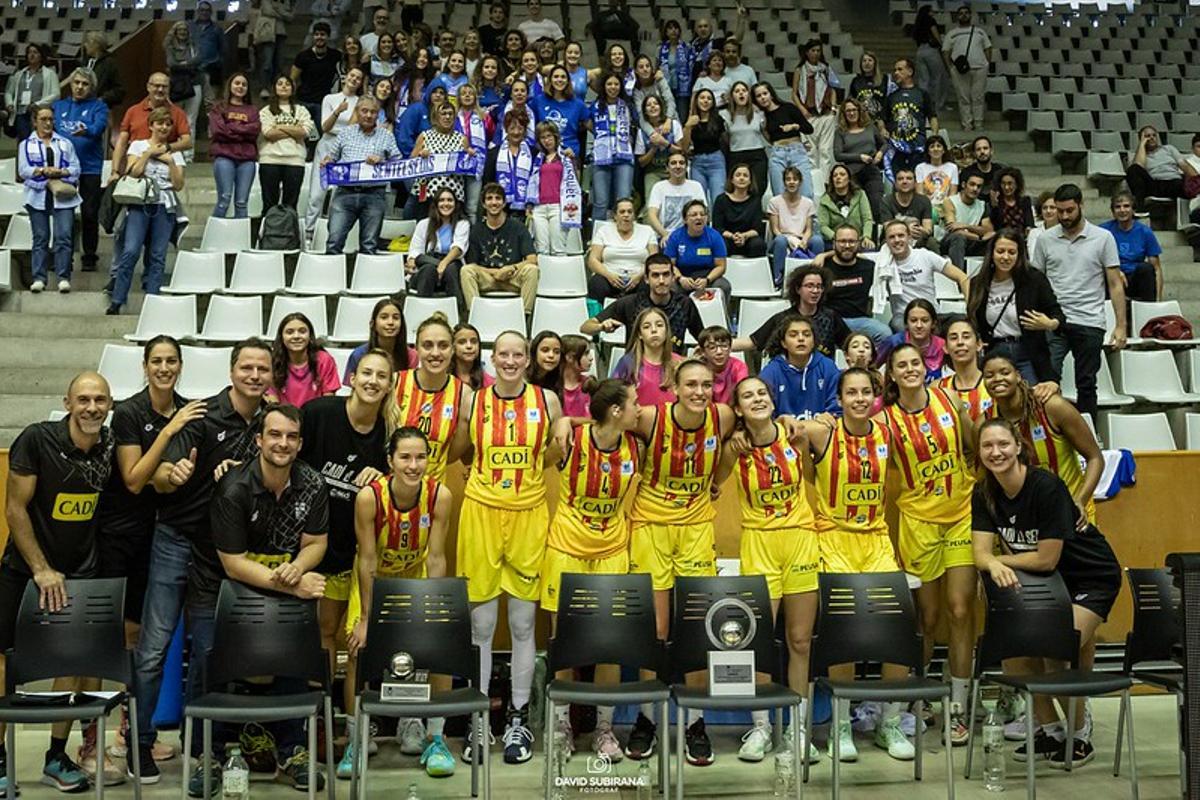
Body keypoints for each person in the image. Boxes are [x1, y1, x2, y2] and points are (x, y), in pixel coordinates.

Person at [143, 339, 271, 793]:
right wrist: (172, 475)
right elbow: (158, 475)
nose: (254, 375)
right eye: (247, 367)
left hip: (228, 554)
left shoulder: (269, 422)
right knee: (162, 648)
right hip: (179, 540)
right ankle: (157, 745)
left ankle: (215, 748)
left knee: (216, 652)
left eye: (262, 369)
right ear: (232, 370)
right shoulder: (201, 416)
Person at [972, 417, 1121, 767]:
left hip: (1089, 578)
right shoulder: (983, 493)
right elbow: (979, 553)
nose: (996, 452)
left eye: (1003, 444)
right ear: (979, 453)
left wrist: (999, 559)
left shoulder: (1046, 487)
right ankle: (1051, 730)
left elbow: (1047, 557)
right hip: (1045, 583)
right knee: (1016, 651)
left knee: (1056, 648)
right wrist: (992, 564)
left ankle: (1079, 732)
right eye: (988, 446)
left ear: (1019, 446)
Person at [0, 372, 113, 793]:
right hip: (24, 572)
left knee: (72, 665)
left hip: (79, 576)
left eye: (100, 400)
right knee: (3, 662)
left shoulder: (109, 446)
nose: (91, 407)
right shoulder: (36, 439)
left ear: (110, 405)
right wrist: (41, 568)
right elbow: (15, 509)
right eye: (83, 399)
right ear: (67, 402)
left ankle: (55, 756)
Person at [621, 359, 735, 765]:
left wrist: (715, 484)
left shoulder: (722, 416)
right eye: (691, 384)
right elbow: (604, 417)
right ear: (675, 386)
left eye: (706, 384)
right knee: (656, 629)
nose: (700, 392)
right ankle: (647, 718)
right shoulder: (651, 418)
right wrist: (567, 424)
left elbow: (735, 449)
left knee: (695, 628)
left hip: (696, 528)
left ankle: (695, 723)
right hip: (651, 526)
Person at [209, 405, 328, 792]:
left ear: (300, 443)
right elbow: (233, 564)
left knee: (293, 652)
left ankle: (291, 751)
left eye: (291, 437)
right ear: (259, 440)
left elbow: (316, 543)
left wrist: (299, 566)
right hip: (231, 587)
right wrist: (293, 584)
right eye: (275, 435)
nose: (283, 443)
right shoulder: (234, 488)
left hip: (282, 583)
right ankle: (206, 755)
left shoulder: (311, 482)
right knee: (213, 659)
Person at [458, 331, 562, 765]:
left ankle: (518, 717)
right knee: (481, 625)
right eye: (503, 354)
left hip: (528, 516)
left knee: (522, 624)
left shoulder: (548, 402)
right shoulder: (472, 400)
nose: (511, 360)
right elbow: (463, 452)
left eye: (519, 354)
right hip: (481, 513)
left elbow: (554, 454)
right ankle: (478, 719)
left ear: (528, 360)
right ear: (492, 359)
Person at [800, 368, 912, 761]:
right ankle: (842, 726)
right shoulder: (822, 432)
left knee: (897, 627)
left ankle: (890, 723)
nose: (860, 399)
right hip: (834, 538)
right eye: (852, 393)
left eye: (867, 392)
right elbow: (782, 429)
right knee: (843, 632)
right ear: (840, 398)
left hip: (877, 538)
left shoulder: (887, 431)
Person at [714, 377, 819, 761]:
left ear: (772, 401)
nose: (757, 399)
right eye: (747, 396)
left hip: (800, 541)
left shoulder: (795, 434)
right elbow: (711, 484)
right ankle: (760, 728)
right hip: (758, 543)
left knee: (800, 641)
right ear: (738, 409)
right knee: (755, 641)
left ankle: (799, 730)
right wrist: (728, 448)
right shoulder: (735, 449)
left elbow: (813, 477)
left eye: (762, 393)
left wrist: (802, 438)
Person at [297, 350, 390, 777]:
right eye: (365, 373)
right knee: (323, 635)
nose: (372, 381)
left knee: (356, 642)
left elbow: (399, 483)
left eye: (381, 376)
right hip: (314, 545)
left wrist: (381, 479)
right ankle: (321, 721)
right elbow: (287, 458)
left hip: (359, 552)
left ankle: (358, 730)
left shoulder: (387, 432)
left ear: (390, 384)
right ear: (351, 376)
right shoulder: (318, 413)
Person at [345, 426, 456, 776]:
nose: (413, 465)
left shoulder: (440, 495)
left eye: (420, 457)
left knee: (435, 650)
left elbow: (436, 557)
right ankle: (357, 738)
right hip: (374, 581)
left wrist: (435, 610)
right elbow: (367, 560)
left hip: (414, 579)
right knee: (357, 651)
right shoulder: (369, 497)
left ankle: (431, 736)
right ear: (390, 460)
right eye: (405, 457)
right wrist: (366, 618)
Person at [882, 343, 977, 748]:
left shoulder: (948, 397)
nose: (909, 369)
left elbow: (973, 442)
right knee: (926, 619)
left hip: (961, 514)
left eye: (915, 363)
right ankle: (917, 697)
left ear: (926, 366)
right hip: (917, 523)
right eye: (901, 365)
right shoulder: (886, 421)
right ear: (891, 375)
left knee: (960, 610)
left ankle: (957, 707)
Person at [542, 379, 641, 759]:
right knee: (563, 642)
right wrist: (563, 421)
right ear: (616, 411)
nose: (639, 409)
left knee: (609, 646)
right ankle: (562, 727)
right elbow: (540, 465)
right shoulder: (571, 444)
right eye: (633, 403)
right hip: (566, 549)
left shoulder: (636, 445)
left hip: (612, 550)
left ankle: (604, 730)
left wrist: (569, 417)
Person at [1030, 183, 1126, 419]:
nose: (1064, 216)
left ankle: (1088, 438)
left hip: (1090, 320)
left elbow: (1115, 283)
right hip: (1053, 320)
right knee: (1046, 381)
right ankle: (1052, 436)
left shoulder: (1103, 238)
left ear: (1081, 205)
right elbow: (1036, 282)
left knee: (1086, 384)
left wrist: (1121, 325)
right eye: (1060, 211)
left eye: (1069, 210)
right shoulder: (1045, 239)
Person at [107, 107, 186, 316]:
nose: (164, 127)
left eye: (168, 124)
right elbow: (133, 172)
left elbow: (178, 185)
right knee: (131, 251)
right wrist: (148, 154)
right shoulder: (138, 145)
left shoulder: (175, 153)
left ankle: (152, 301)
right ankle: (117, 299)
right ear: (151, 125)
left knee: (158, 255)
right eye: (160, 123)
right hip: (139, 204)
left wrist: (170, 163)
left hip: (164, 205)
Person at [967, 231, 1064, 384]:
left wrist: (1049, 324)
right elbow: (974, 320)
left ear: (1020, 255)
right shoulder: (977, 283)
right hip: (995, 353)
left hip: (1029, 352)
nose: (1005, 257)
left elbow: (1058, 314)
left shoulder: (1034, 279)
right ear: (991, 253)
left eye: (1012, 252)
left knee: (1031, 401)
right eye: (1000, 251)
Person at [387, 314, 473, 477]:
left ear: (453, 349)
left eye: (443, 346)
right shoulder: (396, 383)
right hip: (391, 488)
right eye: (427, 345)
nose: (435, 353)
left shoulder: (464, 395)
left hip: (434, 492)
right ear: (416, 349)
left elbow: (450, 455)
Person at [581, 253, 704, 353]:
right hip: (636, 370)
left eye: (666, 275)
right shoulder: (630, 303)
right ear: (646, 279)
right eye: (655, 275)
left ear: (673, 277)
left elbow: (702, 338)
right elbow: (585, 328)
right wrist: (601, 327)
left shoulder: (685, 304)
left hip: (672, 370)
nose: (661, 281)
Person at [322, 96, 398, 255]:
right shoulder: (345, 133)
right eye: (364, 111)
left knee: (369, 245)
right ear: (357, 112)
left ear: (378, 115)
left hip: (374, 194)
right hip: (344, 193)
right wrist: (327, 161)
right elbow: (332, 157)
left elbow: (398, 163)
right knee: (334, 242)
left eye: (373, 112)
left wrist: (382, 160)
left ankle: (365, 279)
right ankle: (331, 279)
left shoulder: (387, 136)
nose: (369, 115)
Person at [19, 103, 80, 295]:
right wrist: (42, 171)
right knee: (40, 238)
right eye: (43, 119)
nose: (47, 123)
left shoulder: (65, 143)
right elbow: (23, 171)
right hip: (37, 195)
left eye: (51, 119)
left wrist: (61, 172)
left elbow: (76, 169)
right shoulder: (26, 144)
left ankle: (63, 277)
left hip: (62, 196)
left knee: (63, 236)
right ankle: (39, 278)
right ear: (34, 122)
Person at [53, 69, 107, 274]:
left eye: (84, 83)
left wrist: (88, 130)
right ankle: (61, 256)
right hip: (63, 169)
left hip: (89, 168)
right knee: (62, 212)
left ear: (91, 87)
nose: (79, 87)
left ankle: (90, 256)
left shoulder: (98, 106)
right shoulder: (59, 106)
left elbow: (98, 127)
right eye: (76, 82)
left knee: (89, 213)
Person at [461, 183, 540, 314]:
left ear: (504, 203)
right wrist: (496, 273)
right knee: (466, 271)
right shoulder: (476, 230)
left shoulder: (518, 227)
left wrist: (510, 268)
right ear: (484, 204)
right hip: (488, 279)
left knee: (532, 270)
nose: (494, 202)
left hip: (512, 277)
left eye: (498, 198)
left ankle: (524, 318)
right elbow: (473, 264)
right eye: (489, 198)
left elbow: (532, 259)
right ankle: (475, 316)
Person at [304, 67, 362, 240]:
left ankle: (330, 235)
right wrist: (338, 111)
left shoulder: (360, 102)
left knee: (337, 194)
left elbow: (355, 129)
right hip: (327, 145)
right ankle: (309, 232)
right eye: (352, 75)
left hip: (347, 149)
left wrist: (342, 132)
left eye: (358, 78)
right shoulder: (330, 98)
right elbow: (325, 127)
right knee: (317, 193)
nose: (354, 79)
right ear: (345, 78)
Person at [879, 219, 969, 330]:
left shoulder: (925, 256)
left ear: (909, 237)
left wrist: (971, 308)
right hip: (904, 318)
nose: (897, 240)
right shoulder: (881, 262)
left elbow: (962, 277)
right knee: (897, 324)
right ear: (886, 242)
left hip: (932, 315)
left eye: (901, 235)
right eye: (891, 237)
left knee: (965, 322)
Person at [811, 225, 891, 344]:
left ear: (858, 243)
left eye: (852, 241)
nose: (847, 245)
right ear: (834, 243)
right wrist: (823, 255)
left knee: (885, 334)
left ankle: (872, 363)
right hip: (830, 320)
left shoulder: (869, 267)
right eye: (842, 241)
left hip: (861, 321)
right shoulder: (822, 267)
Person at [758, 313, 841, 418]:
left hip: (821, 430)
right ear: (783, 343)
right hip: (784, 432)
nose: (801, 339)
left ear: (814, 341)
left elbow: (837, 409)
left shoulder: (828, 367)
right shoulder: (771, 372)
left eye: (807, 334)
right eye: (793, 335)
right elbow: (764, 415)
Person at [111, 73, 192, 180]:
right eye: (156, 85)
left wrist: (166, 148)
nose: (160, 89)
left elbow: (187, 142)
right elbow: (122, 142)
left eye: (164, 86)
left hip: (163, 170)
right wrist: (114, 171)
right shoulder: (133, 111)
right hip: (136, 166)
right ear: (148, 87)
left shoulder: (178, 113)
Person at [258, 76, 317, 211]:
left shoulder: (301, 110)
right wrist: (294, 129)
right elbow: (268, 133)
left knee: (291, 205)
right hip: (270, 160)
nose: (284, 86)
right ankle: (268, 232)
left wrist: (278, 127)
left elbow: (305, 132)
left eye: (287, 84)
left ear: (293, 88)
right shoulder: (266, 111)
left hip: (295, 161)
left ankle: (289, 232)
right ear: (274, 88)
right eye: (280, 84)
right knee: (269, 205)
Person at [525, 122, 583, 256]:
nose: (547, 140)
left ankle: (560, 277)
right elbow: (532, 184)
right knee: (541, 250)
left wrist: (573, 160)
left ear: (556, 137)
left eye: (549, 136)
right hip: (539, 207)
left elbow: (575, 181)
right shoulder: (538, 159)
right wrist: (529, 206)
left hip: (559, 207)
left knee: (559, 249)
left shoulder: (565, 156)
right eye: (543, 137)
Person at [208, 73, 260, 219]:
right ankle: (215, 235)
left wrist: (230, 127)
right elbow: (217, 131)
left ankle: (241, 239)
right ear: (229, 86)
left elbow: (255, 131)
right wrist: (243, 130)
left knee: (242, 202)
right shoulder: (219, 108)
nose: (240, 87)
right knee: (224, 199)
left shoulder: (252, 110)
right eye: (237, 83)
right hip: (224, 157)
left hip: (247, 160)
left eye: (244, 84)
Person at [587, 197, 659, 301]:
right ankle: (599, 316)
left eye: (630, 212)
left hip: (639, 277)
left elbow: (654, 260)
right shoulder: (603, 231)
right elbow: (593, 260)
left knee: (649, 283)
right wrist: (609, 276)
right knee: (596, 283)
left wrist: (639, 276)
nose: (626, 215)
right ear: (615, 216)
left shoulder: (647, 231)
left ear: (634, 215)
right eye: (622, 212)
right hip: (609, 276)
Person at [590, 73, 637, 227]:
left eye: (616, 84)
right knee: (600, 201)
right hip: (601, 158)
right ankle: (596, 239)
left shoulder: (628, 105)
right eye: (609, 84)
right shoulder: (595, 105)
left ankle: (624, 236)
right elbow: (586, 123)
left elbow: (636, 124)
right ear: (604, 87)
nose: (613, 87)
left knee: (624, 199)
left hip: (624, 158)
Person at [611, 307, 683, 406]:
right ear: (640, 334)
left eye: (659, 325)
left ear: (666, 331)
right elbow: (612, 395)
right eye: (646, 326)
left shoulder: (679, 363)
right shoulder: (628, 363)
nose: (654, 330)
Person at [408, 188, 470, 303]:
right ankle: (422, 312)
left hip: (452, 268)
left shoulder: (463, 224)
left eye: (450, 200)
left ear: (455, 204)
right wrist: (437, 265)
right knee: (428, 269)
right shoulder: (423, 224)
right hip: (427, 267)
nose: (446, 204)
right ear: (436, 204)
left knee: (451, 269)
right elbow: (415, 253)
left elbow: (458, 248)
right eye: (441, 200)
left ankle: (458, 314)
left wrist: (443, 264)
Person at [753, 81, 814, 198]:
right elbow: (769, 139)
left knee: (806, 192)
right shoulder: (762, 116)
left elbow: (809, 129)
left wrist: (794, 126)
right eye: (758, 96)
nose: (763, 98)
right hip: (777, 152)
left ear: (771, 94)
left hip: (797, 150)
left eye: (765, 93)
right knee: (779, 194)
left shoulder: (788, 108)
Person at [1100, 191, 1163, 304]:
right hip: (1112, 277)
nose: (1122, 210)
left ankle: (1148, 310)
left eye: (1126, 206)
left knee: (1146, 268)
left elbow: (1156, 268)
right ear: (1113, 212)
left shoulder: (1145, 232)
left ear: (1133, 210)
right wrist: (1116, 271)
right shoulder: (1103, 231)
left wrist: (1158, 300)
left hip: (1135, 278)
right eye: (1118, 207)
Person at [267, 312, 341, 407]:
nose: (296, 336)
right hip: (283, 417)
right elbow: (272, 398)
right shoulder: (273, 361)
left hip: (316, 417)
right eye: (290, 332)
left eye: (302, 331)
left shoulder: (324, 360)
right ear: (281, 337)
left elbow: (328, 400)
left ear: (310, 336)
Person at [664, 199, 732, 301]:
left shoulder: (715, 236)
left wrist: (707, 280)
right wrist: (680, 278)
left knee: (724, 286)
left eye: (702, 214)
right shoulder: (676, 237)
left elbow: (721, 266)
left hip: (707, 276)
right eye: (694, 215)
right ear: (685, 219)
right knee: (670, 286)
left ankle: (721, 316)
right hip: (683, 276)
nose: (699, 217)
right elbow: (669, 264)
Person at [881, 58, 936, 178]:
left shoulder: (922, 94)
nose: (896, 73)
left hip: (918, 148)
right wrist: (882, 129)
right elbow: (882, 118)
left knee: (918, 181)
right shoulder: (891, 97)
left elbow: (932, 116)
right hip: (896, 148)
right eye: (895, 70)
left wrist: (934, 136)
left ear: (910, 71)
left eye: (900, 69)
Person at [791, 39, 840, 174]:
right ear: (807, 52)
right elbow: (794, 94)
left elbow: (833, 88)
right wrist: (802, 109)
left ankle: (825, 181)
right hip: (809, 113)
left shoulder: (826, 68)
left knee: (825, 150)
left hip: (826, 113)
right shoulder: (800, 70)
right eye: (813, 50)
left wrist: (834, 108)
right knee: (810, 150)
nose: (816, 53)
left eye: (818, 51)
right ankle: (813, 181)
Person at [409, 100, 468, 211]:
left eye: (450, 114)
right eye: (443, 114)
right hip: (427, 191)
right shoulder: (425, 136)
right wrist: (420, 156)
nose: (447, 117)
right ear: (436, 117)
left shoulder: (462, 139)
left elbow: (466, 166)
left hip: (453, 192)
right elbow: (410, 163)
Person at [942, 4, 991, 131]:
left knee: (978, 97)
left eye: (966, 12)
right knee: (963, 98)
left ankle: (979, 123)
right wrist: (950, 68)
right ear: (957, 17)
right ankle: (967, 124)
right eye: (961, 13)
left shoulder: (980, 31)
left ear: (970, 15)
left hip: (980, 68)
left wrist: (987, 63)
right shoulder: (952, 34)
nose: (964, 15)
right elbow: (946, 51)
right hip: (959, 70)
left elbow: (988, 48)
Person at [341, 297, 415, 382]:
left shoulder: (411, 356)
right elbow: (351, 389)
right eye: (384, 317)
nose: (390, 322)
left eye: (395, 318)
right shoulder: (358, 355)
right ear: (373, 324)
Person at [766, 166, 819, 285]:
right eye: (788, 179)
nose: (791, 182)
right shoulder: (774, 202)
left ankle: (817, 277)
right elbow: (775, 229)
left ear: (800, 182)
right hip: (783, 238)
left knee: (817, 240)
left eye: (795, 179)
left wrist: (804, 241)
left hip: (801, 238)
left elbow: (809, 229)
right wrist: (789, 239)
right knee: (780, 240)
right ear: (784, 182)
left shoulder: (808, 203)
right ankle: (778, 280)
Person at [834, 99, 886, 220]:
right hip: (852, 175)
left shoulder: (870, 127)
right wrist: (859, 157)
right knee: (856, 212)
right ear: (844, 114)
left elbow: (884, 144)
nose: (851, 113)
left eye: (854, 110)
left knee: (876, 206)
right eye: (848, 111)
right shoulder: (840, 132)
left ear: (859, 111)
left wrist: (880, 153)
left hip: (871, 172)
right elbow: (838, 155)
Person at [877, 298, 948, 382]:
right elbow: (874, 368)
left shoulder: (942, 346)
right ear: (906, 324)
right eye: (913, 320)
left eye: (925, 321)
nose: (919, 325)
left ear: (933, 323)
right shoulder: (894, 342)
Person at [1125, 124, 1195, 209]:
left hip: (1173, 182)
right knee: (1132, 169)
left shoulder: (1169, 149)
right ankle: (1140, 208)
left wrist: (1197, 180)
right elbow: (1138, 166)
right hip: (1155, 185)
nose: (1152, 137)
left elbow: (1184, 165)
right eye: (1147, 136)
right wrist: (1142, 144)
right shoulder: (1140, 155)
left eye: (1154, 135)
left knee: (1182, 183)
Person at [3, 44, 61, 142]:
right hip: (21, 113)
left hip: (39, 113)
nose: (32, 55)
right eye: (29, 52)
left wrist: (37, 104)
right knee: (24, 142)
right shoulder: (19, 74)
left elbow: (56, 94)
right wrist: (9, 104)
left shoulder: (50, 74)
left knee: (41, 141)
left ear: (41, 56)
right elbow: (9, 92)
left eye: (35, 52)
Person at [645, 152, 706, 244]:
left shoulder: (696, 186)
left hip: (691, 236)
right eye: (673, 163)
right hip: (665, 236)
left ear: (686, 167)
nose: (678, 166)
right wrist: (665, 234)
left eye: (681, 163)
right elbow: (652, 215)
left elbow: (703, 214)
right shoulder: (659, 187)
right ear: (667, 168)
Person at [937, 319, 991, 420]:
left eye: (966, 337)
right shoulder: (937, 388)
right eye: (953, 338)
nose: (960, 342)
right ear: (945, 348)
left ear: (979, 344)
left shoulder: (992, 383)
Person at [163, 22, 202, 159]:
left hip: (194, 84)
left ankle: (189, 154)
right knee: (174, 118)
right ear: (174, 31)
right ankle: (175, 151)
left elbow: (198, 60)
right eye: (179, 30)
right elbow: (171, 63)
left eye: (185, 29)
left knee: (191, 119)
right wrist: (187, 65)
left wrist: (180, 66)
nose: (182, 32)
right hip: (176, 86)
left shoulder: (193, 46)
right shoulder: (170, 47)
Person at [483, 109, 535, 209]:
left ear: (525, 130)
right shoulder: (494, 153)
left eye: (520, 128)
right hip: (499, 207)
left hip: (528, 207)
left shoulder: (534, 153)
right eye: (512, 128)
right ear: (506, 129)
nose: (516, 132)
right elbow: (488, 182)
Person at [681, 88, 726, 205]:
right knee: (698, 200)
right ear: (696, 101)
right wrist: (687, 127)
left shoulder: (718, 119)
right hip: (697, 163)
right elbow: (684, 148)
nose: (705, 101)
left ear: (712, 103)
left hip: (716, 161)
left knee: (718, 199)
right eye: (702, 98)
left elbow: (726, 141)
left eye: (709, 98)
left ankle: (717, 224)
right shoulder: (691, 121)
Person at [291, 22, 342, 124]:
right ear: (313, 36)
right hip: (304, 100)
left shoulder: (336, 55)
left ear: (328, 36)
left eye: (323, 34)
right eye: (317, 34)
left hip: (324, 102)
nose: (319, 37)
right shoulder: (303, 56)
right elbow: (292, 79)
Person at [711, 163, 766, 259]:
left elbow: (757, 228)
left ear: (750, 181)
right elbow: (718, 227)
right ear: (732, 179)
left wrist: (744, 236)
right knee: (720, 243)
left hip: (748, 239)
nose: (741, 178)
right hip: (728, 238)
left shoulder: (755, 200)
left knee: (758, 244)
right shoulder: (721, 199)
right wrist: (733, 236)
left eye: (745, 176)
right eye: (738, 175)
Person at [635, 95, 684, 200]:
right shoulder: (642, 131)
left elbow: (681, 151)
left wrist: (664, 143)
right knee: (651, 201)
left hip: (674, 169)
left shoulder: (674, 125)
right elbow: (641, 162)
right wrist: (654, 148)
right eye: (648, 105)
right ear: (645, 111)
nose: (652, 106)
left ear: (661, 107)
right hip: (653, 171)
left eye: (655, 104)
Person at [724, 81, 768, 197]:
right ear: (732, 96)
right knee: (738, 190)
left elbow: (767, 135)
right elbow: (725, 138)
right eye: (737, 91)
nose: (741, 94)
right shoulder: (725, 115)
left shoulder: (758, 113)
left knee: (758, 188)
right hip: (736, 154)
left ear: (748, 94)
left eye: (744, 91)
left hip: (757, 154)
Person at [941, 172, 995, 268]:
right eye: (972, 184)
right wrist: (977, 236)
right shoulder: (950, 201)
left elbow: (988, 230)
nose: (975, 189)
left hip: (972, 242)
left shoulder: (982, 205)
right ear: (963, 185)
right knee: (958, 238)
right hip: (950, 241)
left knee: (995, 237)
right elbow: (953, 229)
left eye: (979, 186)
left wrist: (966, 226)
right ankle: (959, 278)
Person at [818, 164, 875, 249]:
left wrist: (866, 236)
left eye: (842, 174)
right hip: (834, 241)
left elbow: (867, 219)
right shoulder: (825, 200)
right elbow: (823, 226)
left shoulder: (860, 194)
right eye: (835, 175)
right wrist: (838, 238)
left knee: (869, 247)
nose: (838, 177)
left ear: (849, 179)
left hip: (857, 240)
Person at [881, 166, 935, 250]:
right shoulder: (887, 201)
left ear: (915, 183)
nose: (905, 181)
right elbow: (887, 227)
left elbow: (928, 229)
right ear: (895, 183)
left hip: (917, 238)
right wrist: (906, 229)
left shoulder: (924, 200)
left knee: (932, 242)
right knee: (885, 244)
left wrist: (920, 230)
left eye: (909, 178)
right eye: (900, 179)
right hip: (895, 238)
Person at [915, 135, 957, 229]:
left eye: (939, 146)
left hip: (946, 207)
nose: (935, 149)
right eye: (932, 146)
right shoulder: (920, 168)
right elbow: (919, 193)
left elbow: (953, 193)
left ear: (944, 150)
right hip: (927, 207)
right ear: (928, 151)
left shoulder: (952, 167)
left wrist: (944, 208)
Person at [697, 326, 746, 405]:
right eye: (712, 347)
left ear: (730, 348)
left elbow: (743, 392)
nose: (719, 352)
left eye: (724, 346)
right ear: (703, 351)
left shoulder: (739, 367)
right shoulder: (699, 369)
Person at [82, 32, 124, 111]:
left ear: (96, 45)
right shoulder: (86, 62)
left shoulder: (110, 63)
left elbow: (119, 90)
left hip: (101, 108)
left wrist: (102, 99)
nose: (85, 45)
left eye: (88, 42)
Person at [848, 51, 893, 122]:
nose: (867, 63)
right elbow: (851, 101)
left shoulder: (885, 79)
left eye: (870, 60)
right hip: (862, 120)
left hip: (881, 120)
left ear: (875, 63)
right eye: (864, 61)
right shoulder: (856, 81)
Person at [988, 167, 1034, 236]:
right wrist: (995, 206)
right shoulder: (996, 202)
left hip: (1021, 238)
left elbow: (1029, 222)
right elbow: (995, 226)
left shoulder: (1025, 201)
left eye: (1010, 183)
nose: (1006, 187)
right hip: (1002, 238)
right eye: (1003, 183)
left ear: (1017, 184)